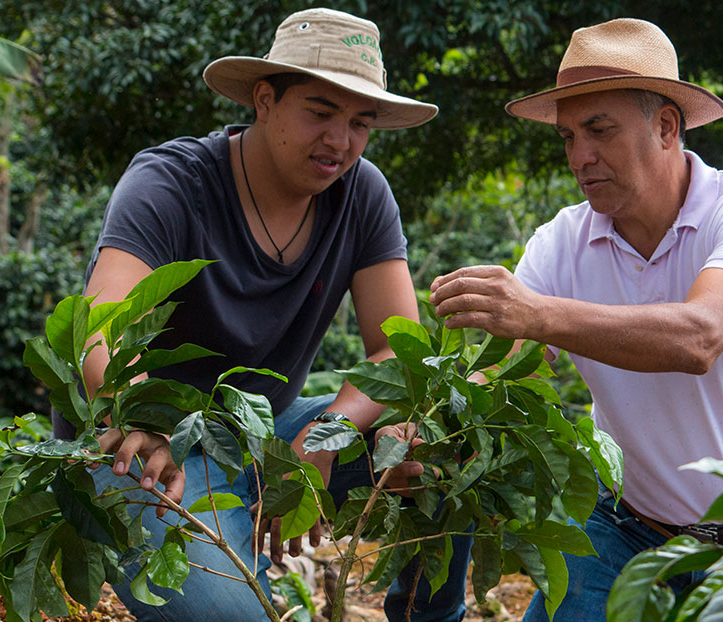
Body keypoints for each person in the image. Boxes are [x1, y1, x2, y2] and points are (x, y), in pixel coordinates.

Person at [55, 9, 467, 622]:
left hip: (261, 431)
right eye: (321, 113)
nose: (341, 141)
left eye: (360, 123)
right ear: (265, 100)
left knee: (444, 447)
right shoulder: (171, 183)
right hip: (143, 445)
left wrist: (325, 434)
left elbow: (396, 350)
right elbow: (102, 326)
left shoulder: (362, 193)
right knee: (234, 615)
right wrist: (138, 414)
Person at [429, 17, 723, 621]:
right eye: (568, 137)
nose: (579, 156)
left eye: (599, 130)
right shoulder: (560, 243)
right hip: (624, 527)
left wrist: (537, 313)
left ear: (666, 126)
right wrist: (432, 425)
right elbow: (507, 374)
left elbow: (700, 336)